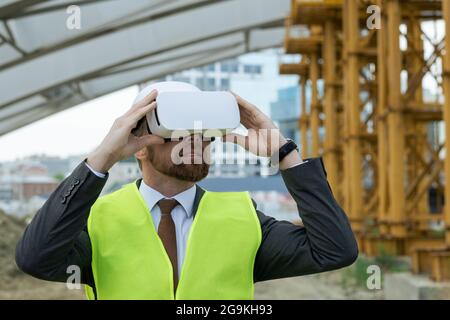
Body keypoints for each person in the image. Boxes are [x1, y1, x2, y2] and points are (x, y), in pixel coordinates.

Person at [15, 81, 358, 300]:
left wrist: (284, 153)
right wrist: (102, 158)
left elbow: (334, 251)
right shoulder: (98, 221)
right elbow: (35, 259)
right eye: (177, 132)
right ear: (138, 144)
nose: (194, 142)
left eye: (204, 133)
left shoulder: (243, 218)